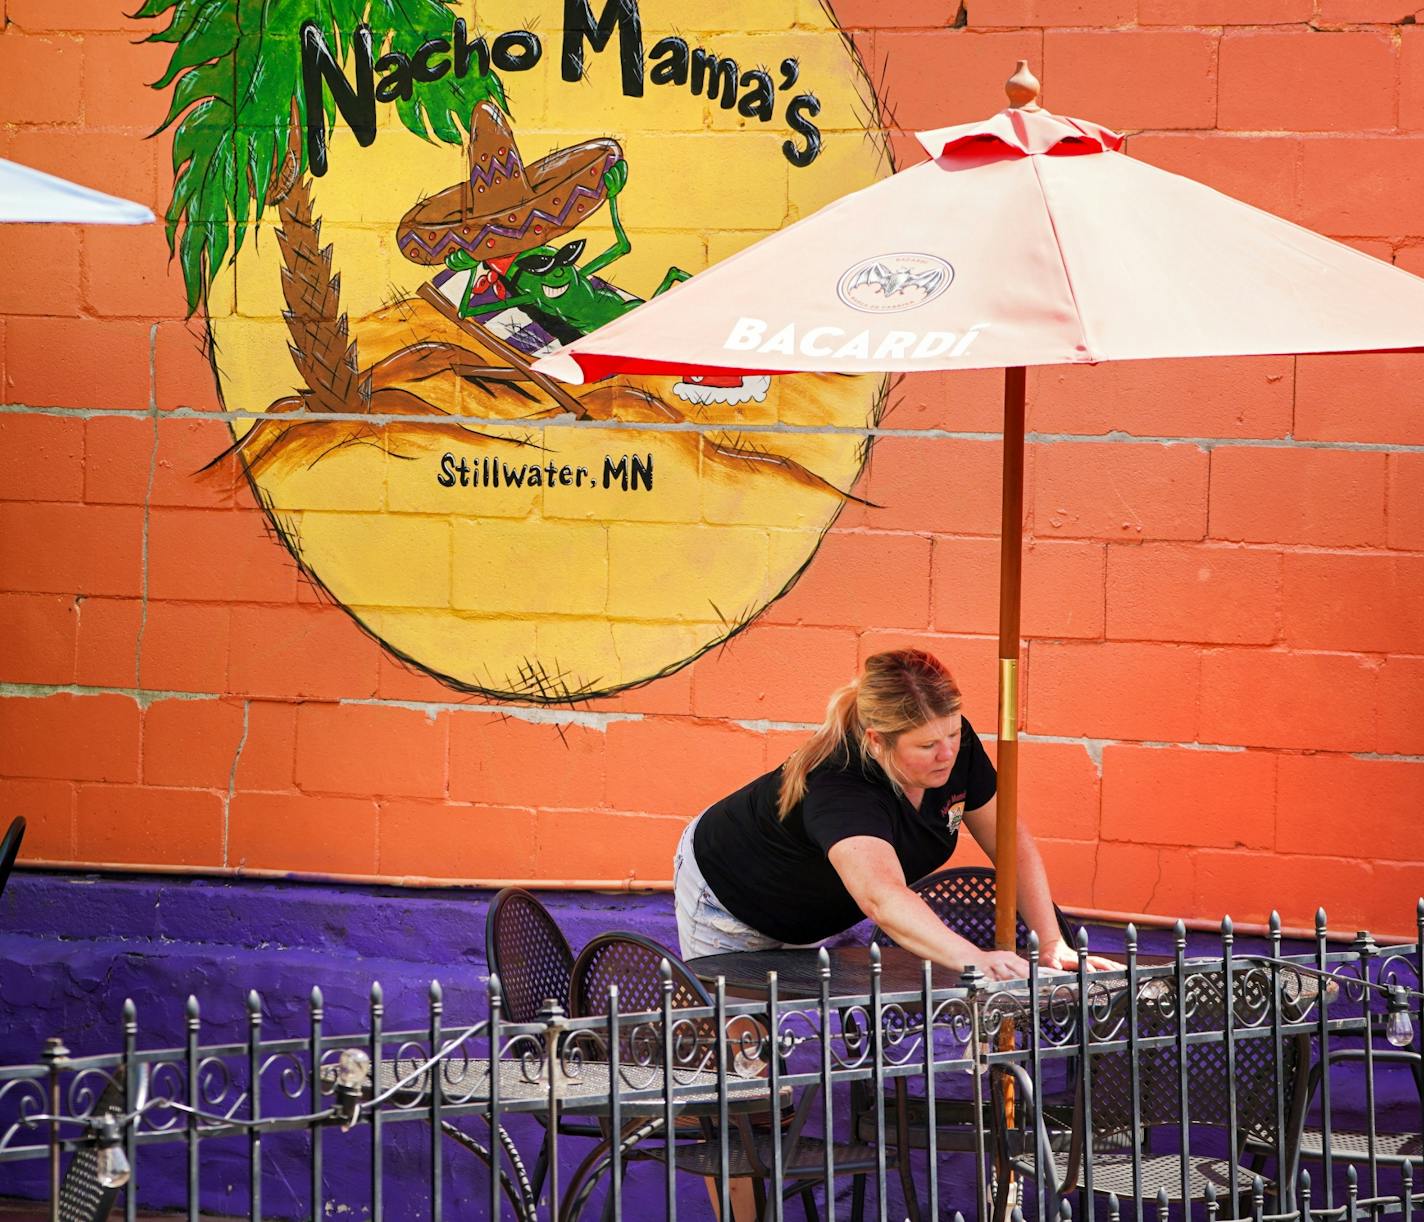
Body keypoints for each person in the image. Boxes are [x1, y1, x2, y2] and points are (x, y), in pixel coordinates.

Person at [675, 648, 1116, 980]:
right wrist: (976, 960)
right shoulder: (840, 785)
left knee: (787, 1051)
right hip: (731, 902)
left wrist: (1052, 942)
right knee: (744, 1069)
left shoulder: (954, 747)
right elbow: (883, 897)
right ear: (876, 742)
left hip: (812, 907)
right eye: (926, 745)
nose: (948, 753)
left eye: (953, 730)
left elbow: (1011, 844)